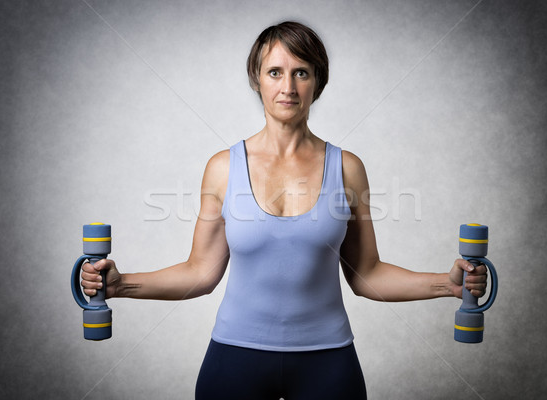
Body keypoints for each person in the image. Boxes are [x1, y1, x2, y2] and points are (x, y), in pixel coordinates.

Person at [81, 21, 487, 400]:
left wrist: (447, 285)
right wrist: (120, 285)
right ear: (257, 80)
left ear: (317, 83)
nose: (288, 86)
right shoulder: (222, 167)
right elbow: (200, 273)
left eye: (302, 72)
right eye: (275, 72)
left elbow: (368, 276)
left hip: (327, 361)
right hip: (234, 357)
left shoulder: (347, 168)